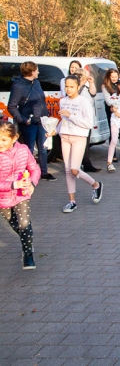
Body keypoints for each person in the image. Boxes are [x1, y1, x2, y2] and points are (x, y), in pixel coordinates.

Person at [50, 76, 103, 213]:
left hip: (79, 137)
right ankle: (72, 201)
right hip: (65, 137)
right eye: (66, 86)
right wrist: (54, 131)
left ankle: (96, 185)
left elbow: (88, 123)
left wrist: (71, 115)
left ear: (78, 86)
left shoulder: (84, 102)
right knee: (68, 170)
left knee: (74, 169)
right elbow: (63, 121)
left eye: (71, 86)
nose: (68, 89)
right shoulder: (63, 101)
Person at [0, 121, 40, 270]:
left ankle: (28, 254)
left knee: (24, 224)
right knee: (16, 225)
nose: (0, 143)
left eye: (3, 139)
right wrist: (12, 185)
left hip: (21, 194)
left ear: (14, 137)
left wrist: (32, 184)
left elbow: (34, 169)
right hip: (2, 199)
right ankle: (27, 241)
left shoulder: (23, 150)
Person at [8, 61, 56, 181]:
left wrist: (46, 114)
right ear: (32, 72)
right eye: (37, 70)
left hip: (41, 120)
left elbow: (41, 101)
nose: (38, 72)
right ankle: (25, 175)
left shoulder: (37, 82)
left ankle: (44, 173)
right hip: (29, 123)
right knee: (28, 149)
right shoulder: (18, 86)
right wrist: (24, 120)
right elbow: (12, 106)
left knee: (43, 148)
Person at [70, 63, 101, 172]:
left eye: (81, 76)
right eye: (78, 76)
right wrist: (80, 83)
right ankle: (77, 165)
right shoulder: (73, 87)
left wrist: (91, 82)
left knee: (85, 143)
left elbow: (93, 93)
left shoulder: (88, 86)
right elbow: (73, 95)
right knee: (77, 143)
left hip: (86, 119)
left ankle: (86, 164)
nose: (79, 78)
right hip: (76, 119)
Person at [101, 69, 120, 163]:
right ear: (108, 77)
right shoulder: (105, 86)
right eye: (112, 77)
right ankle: (112, 154)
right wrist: (114, 105)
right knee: (113, 131)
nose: (114, 79)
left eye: (116, 77)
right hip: (111, 109)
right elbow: (108, 100)